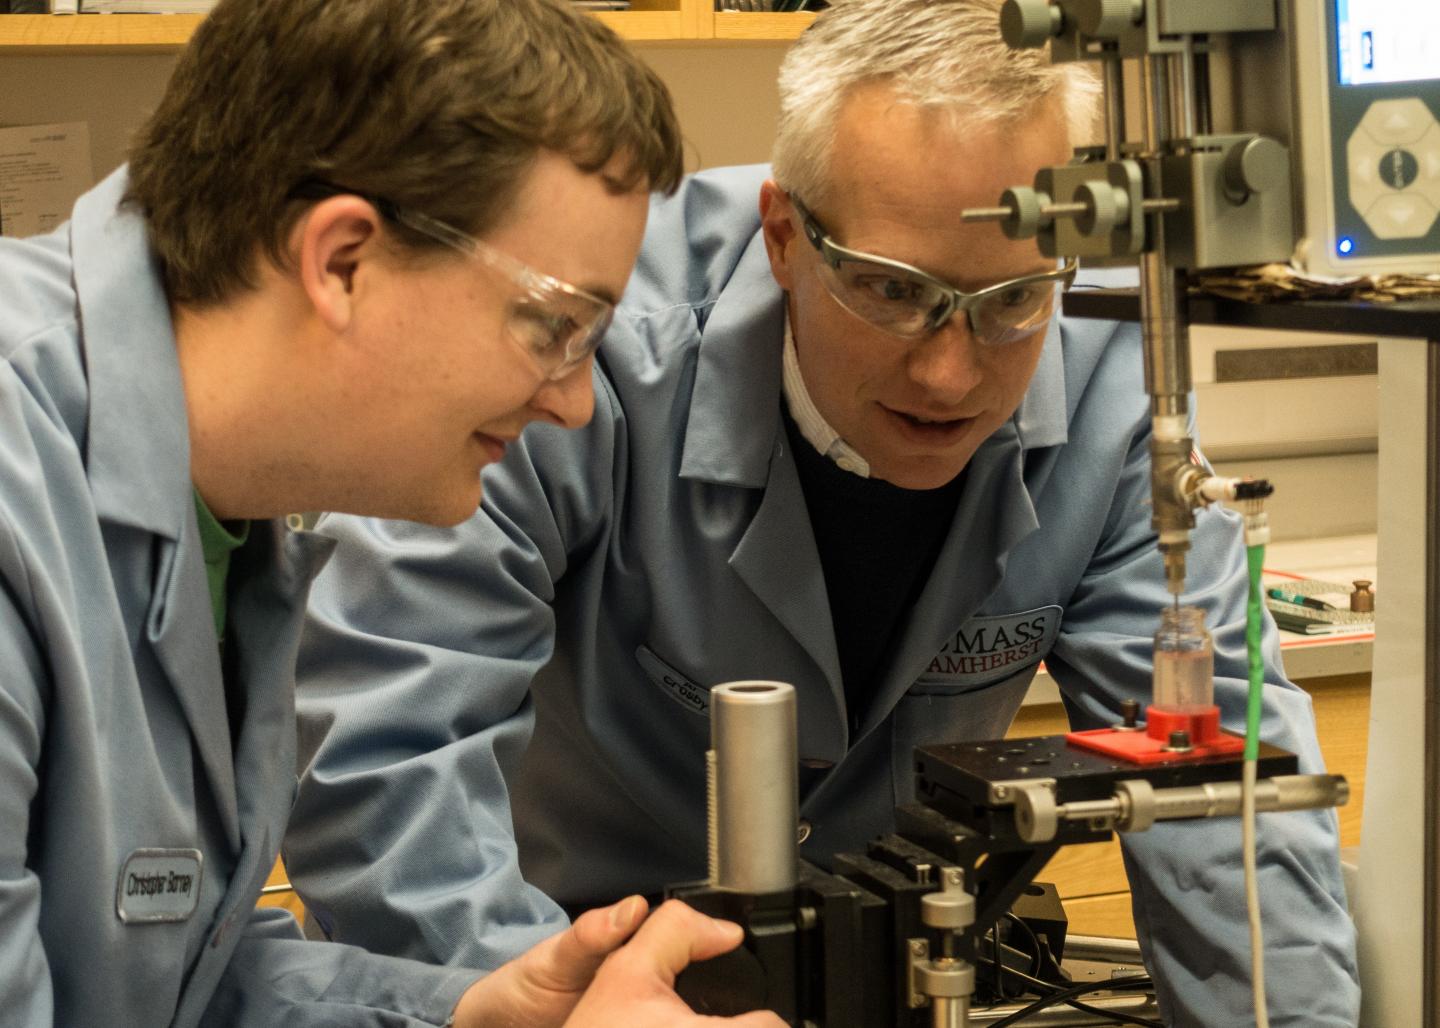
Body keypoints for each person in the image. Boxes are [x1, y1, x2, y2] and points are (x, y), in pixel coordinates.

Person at [286, 0, 1361, 1023]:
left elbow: (1224, 794)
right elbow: (387, 750)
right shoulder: (581, 352)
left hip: (900, 972)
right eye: (894, 289)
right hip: (565, 963)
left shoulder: (1117, 370)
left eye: (1009, 303)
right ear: (785, 236)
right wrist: (556, 1014)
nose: (950, 372)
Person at [0, 0, 787, 1025]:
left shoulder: (232, 506)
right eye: (555, 324)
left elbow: (177, 983)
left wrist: (468, 1018)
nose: (575, 399)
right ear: (342, 262)